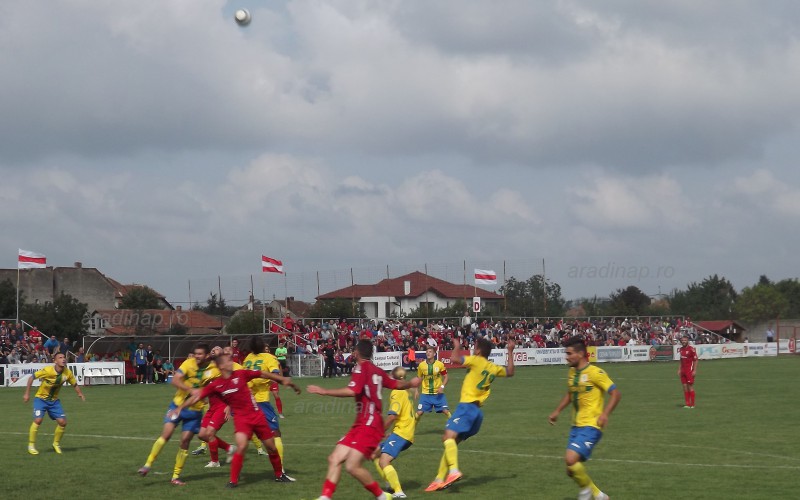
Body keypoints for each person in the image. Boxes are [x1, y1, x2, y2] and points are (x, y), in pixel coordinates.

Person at [308, 339, 421, 500]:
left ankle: (382, 496)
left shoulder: (361, 369)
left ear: (356, 352)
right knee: (334, 458)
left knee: (352, 466)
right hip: (361, 424)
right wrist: (411, 382)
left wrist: (324, 391)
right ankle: (325, 497)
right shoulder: (378, 371)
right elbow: (397, 384)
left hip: (370, 425)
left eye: (354, 351)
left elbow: (352, 390)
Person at [170, 353, 298, 487]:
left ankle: (279, 475)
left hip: (257, 416)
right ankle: (233, 481)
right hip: (242, 420)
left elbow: (263, 374)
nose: (231, 362)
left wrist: (281, 379)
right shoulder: (217, 384)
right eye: (228, 361)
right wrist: (180, 407)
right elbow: (197, 396)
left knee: (271, 448)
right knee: (241, 447)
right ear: (221, 366)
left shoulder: (241, 374)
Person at [424, 337, 515, 492]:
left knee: (447, 437)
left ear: (479, 351)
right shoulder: (492, 367)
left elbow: (454, 358)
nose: (473, 348)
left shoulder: (476, 360)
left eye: (474, 347)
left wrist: (457, 346)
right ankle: (438, 479)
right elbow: (510, 372)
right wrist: (510, 351)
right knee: (450, 442)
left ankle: (453, 471)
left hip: (466, 408)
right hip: (477, 414)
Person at [548, 336, 621, 500]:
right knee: (571, 469)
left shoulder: (596, 373)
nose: (566, 357)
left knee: (570, 458)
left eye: (569, 353)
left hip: (592, 425)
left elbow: (616, 394)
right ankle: (599, 495)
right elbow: (570, 393)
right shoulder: (572, 372)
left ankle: (587, 493)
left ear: (580, 354)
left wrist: (605, 414)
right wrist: (557, 411)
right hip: (576, 426)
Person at [138, 343, 219, 485]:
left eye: (200, 354)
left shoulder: (214, 369)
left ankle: (175, 477)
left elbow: (227, 376)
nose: (197, 356)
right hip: (177, 405)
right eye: (196, 353)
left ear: (206, 355)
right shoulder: (189, 363)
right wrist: (190, 390)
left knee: (185, 441)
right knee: (166, 435)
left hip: (195, 411)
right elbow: (175, 380)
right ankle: (147, 465)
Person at [242, 337, 298, 464]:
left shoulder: (248, 359)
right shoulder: (269, 358)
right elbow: (275, 374)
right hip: (261, 401)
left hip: (246, 401)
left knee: (246, 434)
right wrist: (285, 382)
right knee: (276, 433)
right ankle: (281, 467)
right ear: (263, 347)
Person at [23, 352, 86, 454]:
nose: (63, 359)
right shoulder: (48, 370)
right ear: (55, 361)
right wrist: (27, 394)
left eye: (64, 357)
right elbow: (31, 378)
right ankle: (31, 445)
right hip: (40, 399)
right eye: (60, 358)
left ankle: (56, 444)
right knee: (38, 420)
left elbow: (74, 384)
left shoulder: (67, 373)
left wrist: (80, 394)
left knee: (63, 422)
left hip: (54, 401)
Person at [190, 346, 239, 466]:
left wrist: (229, 405)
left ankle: (215, 461)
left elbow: (234, 387)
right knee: (202, 435)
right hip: (212, 407)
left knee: (210, 433)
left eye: (217, 349)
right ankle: (229, 448)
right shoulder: (208, 368)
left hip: (222, 406)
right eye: (212, 349)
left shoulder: (225, 367)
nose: (213, 350)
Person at [373, 366, 417, 499]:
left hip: (402, 433)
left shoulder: (397, 392)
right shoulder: (405, 390)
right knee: (374, 453)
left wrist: (380, 432)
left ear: (393, 378)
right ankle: (389, 483)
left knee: (384, 461)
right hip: (404, 431)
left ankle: (398, 492)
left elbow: (392, 416)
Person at [414, 346, 450, 422]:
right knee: (419, 413)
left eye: (430, 352)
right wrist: (416, 390)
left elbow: (446, 377)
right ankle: (410, 429)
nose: (428, 353)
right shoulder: (421, 365)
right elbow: (419, 378)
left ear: (434, 354)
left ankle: (456, 428)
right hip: (425, 394)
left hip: (438, 394)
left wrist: (442, 387)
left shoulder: (440, 364)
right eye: (427, 352)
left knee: (446, 411)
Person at [678, 335, 698, 408]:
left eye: (685, 340)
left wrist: (694, 370)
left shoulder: (691, 349)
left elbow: (696, 360)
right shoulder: (681, 349)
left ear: (687, 341)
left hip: (689, 371)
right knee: (684, 387)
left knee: (690, 387)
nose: (683, 341)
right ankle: (687, 404)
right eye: (682, 340)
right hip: (683, 371)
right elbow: (681, 360)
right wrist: (679, 369)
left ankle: (692, 404)